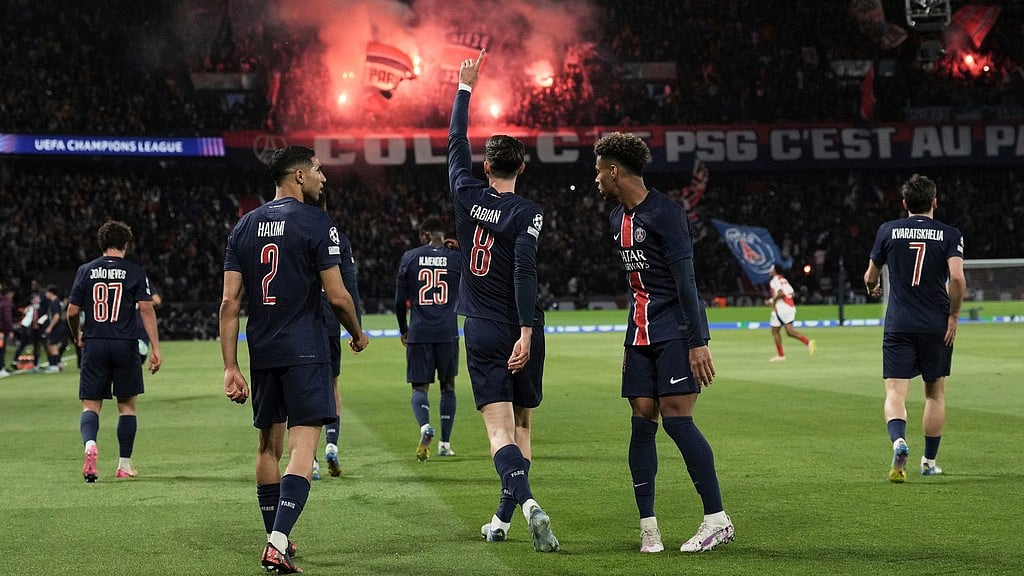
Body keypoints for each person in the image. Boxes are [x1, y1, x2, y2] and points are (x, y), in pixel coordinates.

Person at [221, 145, 368, 574]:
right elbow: (338, 296)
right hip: (305, 348)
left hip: (261, 349)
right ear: (299, 176)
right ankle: (278, 543)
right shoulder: (318, 222)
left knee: (268, 446)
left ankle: (274, 534)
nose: (324, 177)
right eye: (319, 170)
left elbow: (230, 303)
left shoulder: (243, 226)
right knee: (305, 446)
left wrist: (230, 366)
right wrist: (357, 333)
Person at [594, 131, 733, 553]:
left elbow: (685, 281)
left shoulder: (667, 213)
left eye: (599, 171)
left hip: (673, 330)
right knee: (641, 422)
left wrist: (698, 340)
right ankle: (648, 527)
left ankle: (717, 519)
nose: (596, 180)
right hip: (637, 334)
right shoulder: (617, 218)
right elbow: (637, 285)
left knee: (676, 420)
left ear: (615, 171)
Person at [448, 49, 559, 553]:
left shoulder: (466, 194)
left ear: (487, 165)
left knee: (498, 432)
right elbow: (524, 269)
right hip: (522, 325)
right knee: (523, 423)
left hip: (482, 328)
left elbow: (454, 145)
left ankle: (511, 515)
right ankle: (524, 504)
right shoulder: (528, 212)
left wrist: (464, 88)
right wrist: (528, 331)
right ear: (524, 168)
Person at [864, 174, 965, 483]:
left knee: (895, 392)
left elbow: (870, 276)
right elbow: (958, 279)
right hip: (936, 323)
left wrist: (873, 287)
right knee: (935, 393)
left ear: (904, 203)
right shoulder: (950, 234)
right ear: (935, 201)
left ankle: (898, 441)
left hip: (899, 322)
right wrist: (954, 315)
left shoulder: (888, 230)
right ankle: (928, 462)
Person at [66, 221, 162, 482]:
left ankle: (90, 445)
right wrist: (155, 347)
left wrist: (76, 334)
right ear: (126, 244)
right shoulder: (134, 271)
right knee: (127, 408)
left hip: (95, 342)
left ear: (101, 244)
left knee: (90, 405)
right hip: (125, 343)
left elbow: (73, 311)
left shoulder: (85, 270)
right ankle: (124, 464)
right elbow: (146, 308)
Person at [394, 216, 462, 460]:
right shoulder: (456, 258)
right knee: (448, 387)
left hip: (419, 331)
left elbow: (400, 301)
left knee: (419, 387)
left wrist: (404, 329)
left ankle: (425, 426)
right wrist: (460, 248)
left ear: (424, 235)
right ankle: (445, 443)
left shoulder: (410, 257)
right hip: (447, 332)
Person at [309, 191, 363, 480]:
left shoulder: (292, 232)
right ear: (326, 205)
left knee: (302, 389)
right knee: (332, 386)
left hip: (299, 323)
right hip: (330, 321)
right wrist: (357, 330)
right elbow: (348, 287)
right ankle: (331, 442)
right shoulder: (337, 238)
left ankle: (311, 459)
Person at [766, 264, 815, 362]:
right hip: (790, 307)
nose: (769, 272)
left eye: (771, 270)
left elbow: (781, 293)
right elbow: (791, 293)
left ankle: (781, 355)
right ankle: (808, 342)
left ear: (775, 271)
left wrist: (771, 301)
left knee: (775, 331)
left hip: (781, 309)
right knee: (789, 332)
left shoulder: (774, 281)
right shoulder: (784, 280)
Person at [41, 284, 66, 373]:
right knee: (54, 345)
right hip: (60, 326)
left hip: (56, 327)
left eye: (47, 292)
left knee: (53, 346)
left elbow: (56, 316)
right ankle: (58, 363)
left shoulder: (55, 302)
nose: (46, 294)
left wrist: (50, 327)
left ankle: (54, 365)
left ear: (51, 292)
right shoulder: (57, 302)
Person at [0, 284, 12, 378]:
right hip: (1, 331)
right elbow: (7, 318)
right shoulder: (5, 303)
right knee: (1, 350)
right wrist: (9, 330)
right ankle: (1, 368)